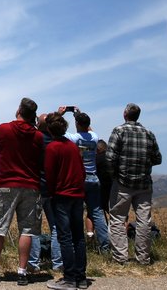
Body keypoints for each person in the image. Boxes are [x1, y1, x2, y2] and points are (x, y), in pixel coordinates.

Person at [0, 98, 43, 285]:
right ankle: (22, 272)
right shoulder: (38, 136)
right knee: (27, 230)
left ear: (19, 110)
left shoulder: (4, 128)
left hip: (8, 183)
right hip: (30, 185)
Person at [105, 103, 161, 266]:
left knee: (117, 218)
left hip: (122, 183)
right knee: (144, 220)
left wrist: (114, 174)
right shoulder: (148, 133)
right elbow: (158, 158)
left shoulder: (119, 131)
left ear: (125, 114)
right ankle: (143, 258)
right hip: (144, 184)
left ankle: (120, 257)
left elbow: (110, 157)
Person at [45, 112, 89, 290]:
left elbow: (49, 174)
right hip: (77, 195)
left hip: (62, 195)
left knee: (65, 237)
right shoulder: (72, 146)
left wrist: (50, 192)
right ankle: (81, 277)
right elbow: (82, 171)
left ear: (49, 129)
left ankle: (69, 278)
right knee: (78, 236)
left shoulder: (52, 148)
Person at [62, 108, 109, 255]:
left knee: (74, 212)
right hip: (94, 177)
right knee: (97, 212)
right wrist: (79, 114)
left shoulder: (74, 138)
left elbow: (57, 129)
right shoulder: (94, 138)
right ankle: (105, 247)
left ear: (77, 124)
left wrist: (61, 114)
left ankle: (76, 246)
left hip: (79, 178)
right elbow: (89, 129)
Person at [28, 114, 62, 274]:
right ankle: (58, 262)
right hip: (52, 187)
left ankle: (33, 263)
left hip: (36, 187)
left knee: (34, 227)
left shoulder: (36, 139)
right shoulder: (55, 141)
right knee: (55, 226)